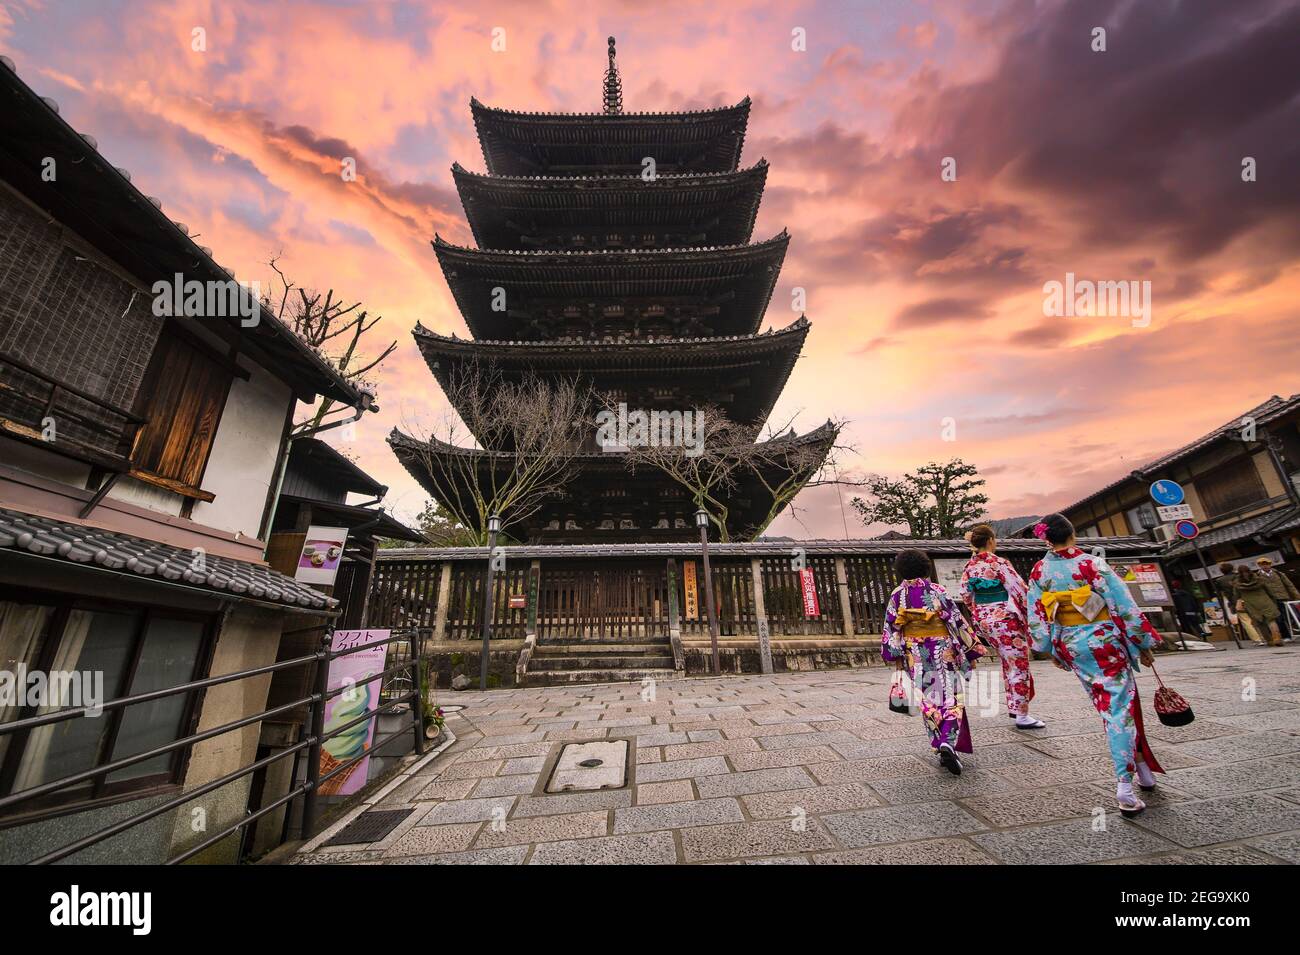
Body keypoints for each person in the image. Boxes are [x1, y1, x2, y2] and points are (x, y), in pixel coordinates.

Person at [1026, 513, 1164, 817]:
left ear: (1045, 538)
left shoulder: (1039, 570)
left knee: (1114, 706)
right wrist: (1142, 642)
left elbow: (1036, 613)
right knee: (1118, 711)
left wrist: (1048, 646)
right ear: (1073, 533)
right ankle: (1124, 788)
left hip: (1072, 644)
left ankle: (1143, 770)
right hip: (1104, 641)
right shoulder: (1091, 563)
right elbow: (1123, 603)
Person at [883, 548, 986, 775]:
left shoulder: (897, 595)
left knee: (928, 700)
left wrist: (896, 658)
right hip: (942, 650)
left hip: (914, 653)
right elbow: (956, 621)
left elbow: (892, 629)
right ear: (926, 567)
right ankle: (948, 740)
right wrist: (970, 651)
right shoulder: (937, 590)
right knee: (950, 695)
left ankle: (941, 745)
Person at [959, 524, 1044, 729]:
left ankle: (1017, 708)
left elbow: (966, 595)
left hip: (985, 621)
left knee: (1009, 662)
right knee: (1018, 663)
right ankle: (1021, 714)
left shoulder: (969, 567)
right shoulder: (998, 563)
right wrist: (1030, 617)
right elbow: (1019, 590)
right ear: (990, 541)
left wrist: (979, 614)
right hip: (1005, 620)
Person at [1229, 564, 1283, 646]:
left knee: (1260, 623)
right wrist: (1273, 599)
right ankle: (1277, 638)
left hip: (1251, 605)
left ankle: (1270, 641)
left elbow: (1236, 595)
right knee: (1271, 620)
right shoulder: (1259, 579)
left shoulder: (1237, 584)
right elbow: (1269, 591)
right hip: (1265, 601)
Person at [1255, 557, 1299, 642]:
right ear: (1259, 565)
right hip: (1271, 600)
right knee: (1279, 618)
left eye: (1267, 564)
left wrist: (1297, 596)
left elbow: (1289, 585)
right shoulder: (1257, 576)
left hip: (1284, 597)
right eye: (1262, 564)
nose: (1265, 566)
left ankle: (1294, 631)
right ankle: (1286, 636)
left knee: (1290, 616)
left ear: (1270, 564)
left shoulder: (1279, 574)